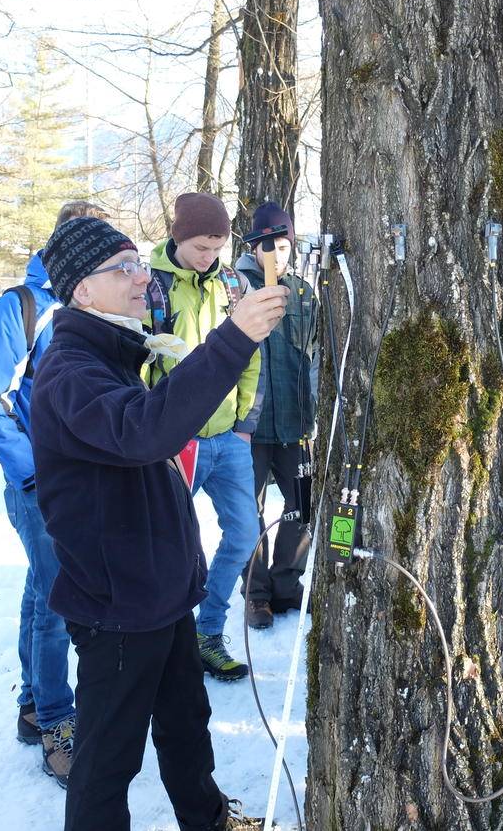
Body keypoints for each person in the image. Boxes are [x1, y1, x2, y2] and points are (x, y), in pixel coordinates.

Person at [30, 215, 284, 830]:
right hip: (118, 603)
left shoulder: (115, 352)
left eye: (138, 264)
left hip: (160, 593)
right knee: (107, 761)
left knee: (184, 725)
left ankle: (210, 820)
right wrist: (234, 337)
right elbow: (143, 431)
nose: (142, 277)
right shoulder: (69, 370)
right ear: (81, 291)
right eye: (124, 269)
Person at [0, 201, 106, 786]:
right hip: (40, 482)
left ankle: (32, 703)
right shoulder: (21, 308)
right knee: (60, 599)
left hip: (78, 477)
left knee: (40, 593)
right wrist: (34, 472)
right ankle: (56, 722)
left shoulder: (89, 306)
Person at [145, 192, 264, 678]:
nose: (208, 257)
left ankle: (207, 632)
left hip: (228, 441)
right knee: (167, 547)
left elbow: (253, 353)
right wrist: (151, 436)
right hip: (173, 444)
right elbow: (134, 364)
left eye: (216, 247)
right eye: (200, 247)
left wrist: (245, 426)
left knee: (245, 533)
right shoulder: (148, 285)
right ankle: (161, 645)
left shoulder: (234, 284)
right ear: (178, 236)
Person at [234, 202, 318, 628]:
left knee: (301, 503)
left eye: (284, 246)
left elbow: (316, 356)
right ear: (255, 248)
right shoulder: (235, 289)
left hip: (295, 424)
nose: (277, 255)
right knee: (247, 510)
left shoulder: (303, 293)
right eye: (269, 246)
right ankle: (256, 594)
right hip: (247, 427)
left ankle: (287, 584)